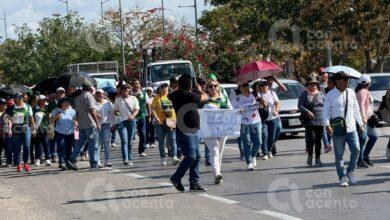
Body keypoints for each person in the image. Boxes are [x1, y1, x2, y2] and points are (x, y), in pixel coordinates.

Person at [323, 71, 364, 187]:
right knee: (339, 155)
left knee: (356, 149)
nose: (346, 82)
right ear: (337, 81)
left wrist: (360, 124)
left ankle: (350, 171)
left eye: (347, 80)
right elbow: (325, 113)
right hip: (338, 130)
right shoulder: (330, 95)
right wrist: (327, 125)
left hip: (351, 128)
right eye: (344, 80)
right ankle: (342, 177)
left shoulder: (351, 93)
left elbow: (356, 109)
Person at [169, 74, 208, 192]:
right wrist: (200, 89)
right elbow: (205, 97)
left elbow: (170, 94)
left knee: (197, 157)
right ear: (190, 84)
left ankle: (194, 183)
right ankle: (176, 177)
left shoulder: (175, 95)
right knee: (191, 157)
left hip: (190, 130)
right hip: (186, 130)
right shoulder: (190, 95)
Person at [202, 78, 233, 184]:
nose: (213, 88)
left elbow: (231, 110)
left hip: (222, 129)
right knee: (214, 151)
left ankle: (218, 173)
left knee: (219, 153)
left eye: (215, 86)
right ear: (207, 89)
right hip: (208, 130)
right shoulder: (204, 99)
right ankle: (217, 174)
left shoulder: (224, 97)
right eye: (210, 86)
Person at [66, 82, 101, 170]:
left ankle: (71, 159)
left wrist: (77, 121)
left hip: (81, 124)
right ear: (90, 88)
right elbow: (92, 110)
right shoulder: (88, 96)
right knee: (93, 144)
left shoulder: (78, 97)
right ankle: (93, 163)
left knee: (79, 143)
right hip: (90, 123)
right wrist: (97, 123)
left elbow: (77, 112)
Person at [232, 81, 262, 171]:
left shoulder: (255, 95)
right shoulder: (236, 99)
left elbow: (261, 105)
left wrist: (262, 102)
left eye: (247, 85)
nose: (246, 87)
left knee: (258, 142)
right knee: (247, 142)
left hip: (256, 121)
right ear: (239, 87)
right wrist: (238, 111)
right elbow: (232, 111)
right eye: (243, 85)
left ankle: (253, 156)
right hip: (244, 123)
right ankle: (249, 162)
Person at [298, 75, 325, 167]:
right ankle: (310, 155)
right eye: (311, 84)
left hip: (320, 120)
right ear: (307, 85)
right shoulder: (304, 94)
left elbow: (325, 105)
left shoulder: (321, 94)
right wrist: (308, 112)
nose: (313, 86)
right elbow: (300, 106)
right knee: (311, 139)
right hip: (309, 121)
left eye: (314, 84)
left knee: (318, 140)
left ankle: (318, 158)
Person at [151, 83, 181, 166]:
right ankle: (163, 157)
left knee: (173, 139)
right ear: (160, 88)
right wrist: (156, 117)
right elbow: (152, 109)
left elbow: (177, 108)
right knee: (161, 140)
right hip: (160, 122)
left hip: (171, 120)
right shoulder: (157, 97)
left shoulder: (171, 96)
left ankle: (174, 157)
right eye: (163, 87)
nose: (165, 88)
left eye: (166, 87)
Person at [8, 92, 35, 173]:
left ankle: (26, 164)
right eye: (16, 98)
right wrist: (9, 129)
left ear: (22, 98)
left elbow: (31, 118)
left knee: (27, 146)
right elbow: (10, 119)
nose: (18, 99)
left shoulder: (28, 106)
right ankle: (19, 165)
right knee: (17, 148)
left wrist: (33, 128)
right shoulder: (11, 107)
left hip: (26, 127)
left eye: (20, 97)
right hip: (15, 128)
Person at [113, 83, 139, 166]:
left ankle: (130, 157)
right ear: (121, 91)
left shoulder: (133, 98)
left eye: (127, 91)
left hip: (131, 121)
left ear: (129, 90)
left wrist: (133, 115)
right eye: (124, 91)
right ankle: (125, 159)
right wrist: (117, 112)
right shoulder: (118, 99)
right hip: (121, 121)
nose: (125, 92)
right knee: (124, 140)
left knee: (130, 141)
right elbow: (115, 110)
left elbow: (137, 109)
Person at [356, 74, 378, 167]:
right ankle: (360, 160)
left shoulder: (364, 91)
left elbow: (368, 106)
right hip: (363, 119)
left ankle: (364, 156)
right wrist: (364, 118)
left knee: (373, 137)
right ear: (368, 83)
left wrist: (373, 114)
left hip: (369, 118)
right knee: (363, 139)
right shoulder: (362, 91)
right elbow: (361, 105)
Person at [50, 98, 76, 171]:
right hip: (59, 132)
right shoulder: (56, 110)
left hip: (70, 132)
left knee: (69, 148)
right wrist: (56, 117)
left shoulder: (73, 111)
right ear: (61, 104)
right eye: (65, 102)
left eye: (68, 102)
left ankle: (68, 162)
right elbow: (50, 120)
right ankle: (62, 162)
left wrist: (75, 122)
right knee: (60, 147)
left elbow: (76, 120)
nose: (67, 103)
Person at [257, 80, 280, 160]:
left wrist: (276, 110)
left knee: (272, 137)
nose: (264, 87)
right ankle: (265, 153)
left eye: (266, 85)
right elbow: (256, 106)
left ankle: (269, 150)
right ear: (260, 87)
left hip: (273, 118)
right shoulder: (258, 95)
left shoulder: (272, 93)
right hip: (263, 119)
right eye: (262, 85)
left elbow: (277, 102)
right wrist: (261, 103)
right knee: (264, 135)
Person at [130, 79, 151, 157]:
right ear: (132, 85)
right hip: (131, 116)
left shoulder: (144, 93)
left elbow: (148, 105)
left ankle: (141, 150)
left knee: (142, 133)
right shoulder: (129, 93)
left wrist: (149, 115)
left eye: (137, 83)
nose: (136, 85)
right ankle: (128, 150)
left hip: (141, 116)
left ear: (139, 85)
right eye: (134, 83)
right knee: (131, 135)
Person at [264, 76, 284, 155]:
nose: (270, 80)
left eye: (272, 78)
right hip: (265, 116)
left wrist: (276, 80)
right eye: (269, 78)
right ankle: (267, 149)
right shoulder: (259, 88)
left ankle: (271, 143)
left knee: (278, 128)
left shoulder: (274, 87)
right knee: (265, 133)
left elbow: (284, 89)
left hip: (275, 112)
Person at [31, 95, 51, 166]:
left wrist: (50, 128)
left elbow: (48, 119)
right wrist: (33, 129)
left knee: (46, 144)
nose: (45, 101)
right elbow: (31, 119)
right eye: (43, 100)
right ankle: (37, 159)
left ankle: (47, 159)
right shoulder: (34, 109)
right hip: (36, 129)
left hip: (44, 128)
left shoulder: (46, 108)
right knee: (37, 144)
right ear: (39, 101)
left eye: (45, 100)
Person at [47, 87, 66, 163]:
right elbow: (48, 114)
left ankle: (62, 156)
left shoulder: (66, 102)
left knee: (61, 141)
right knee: (52, 140)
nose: (61, 94)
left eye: (62, 93)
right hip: (52, 124)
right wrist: (49, 124)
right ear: (56, 94)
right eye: (59, 93)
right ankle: (53, 155)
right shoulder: (51, 103)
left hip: (63, 125)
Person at [95, 89, 113, 167]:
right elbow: (90, 112)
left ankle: (107, 161)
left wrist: (112, 123)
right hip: (97, 126)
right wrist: (96, 115)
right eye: (97, 93)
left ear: (103, 94)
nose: (99, 94)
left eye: (101, 93)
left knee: (106, 143)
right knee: (97, 144)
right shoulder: (93, 103)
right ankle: (97, 161)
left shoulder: (108, 103)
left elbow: (112, 112)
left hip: (106, 125)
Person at [0, 99, 12, 166]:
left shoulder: (7, 113)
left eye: (5, 104)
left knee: (8, 148)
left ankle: (9, 162)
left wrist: (10, 129)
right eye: (3, 104)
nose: (5, 106)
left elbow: (10, 121)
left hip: (6, 132)